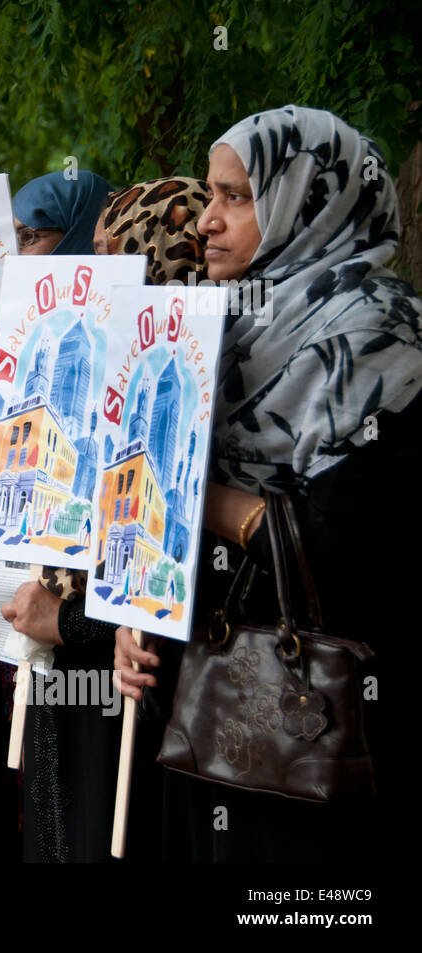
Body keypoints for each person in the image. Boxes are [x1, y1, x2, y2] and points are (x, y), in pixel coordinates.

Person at [114, 107, 421, 863]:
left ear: (310, 203)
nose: (206, 222)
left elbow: (349, 544)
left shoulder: (383, 340)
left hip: (323, 732)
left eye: (236, 198)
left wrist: (184, 490)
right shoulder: (212, 333)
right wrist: (135, 612)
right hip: (203, 715)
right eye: (211, 196)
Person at [0, 176, 210, 862]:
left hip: (142, 702)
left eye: (112, 255)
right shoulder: (81, 361)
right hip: (66, 683)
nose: (97, 275)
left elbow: (168, 578)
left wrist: (66, 622)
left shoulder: (188, 383)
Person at [0, 170, 115, 862]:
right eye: (13, 237)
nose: (21, 255)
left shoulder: (101, 346)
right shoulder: (16, 344)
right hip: (4, 637)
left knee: (66, 815)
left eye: (34, 236)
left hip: (77, 639)